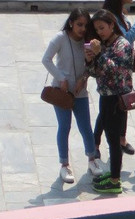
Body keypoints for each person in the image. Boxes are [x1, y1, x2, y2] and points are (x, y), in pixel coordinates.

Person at [42, 9, 102, 184]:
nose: (82, 29)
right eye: (79, 25)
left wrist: (84, 78)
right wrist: (61, 79)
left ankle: (92, 159)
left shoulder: (89, 42)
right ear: (71, 23)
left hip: (80, 92)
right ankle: (64, 164)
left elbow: (91, 65)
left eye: (85, 25)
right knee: (64, 126)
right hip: (62, 92)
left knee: (85, 127)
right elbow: (46, 59)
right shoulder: (60, 38)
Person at [93, 0, 135, 159]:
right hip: (111, 71)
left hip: (124, 71)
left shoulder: (122, 14)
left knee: (123, 104)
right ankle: (96, 142)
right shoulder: (112, 18)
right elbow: (126, 39)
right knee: (107, 110)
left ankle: (122, 139)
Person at [83, 9, 135, 194]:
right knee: (110, 137)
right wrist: (90, 60)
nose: (99, 32)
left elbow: (116, 72)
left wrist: (99, 55)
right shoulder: (105, 44)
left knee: (114, 140)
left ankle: (115, 180)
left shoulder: (122, 45)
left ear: (112, 25)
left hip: (116, 98)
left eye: (102, 28)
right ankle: (114, 173)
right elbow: (95, 73)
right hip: (105, 96)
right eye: (97, 29)